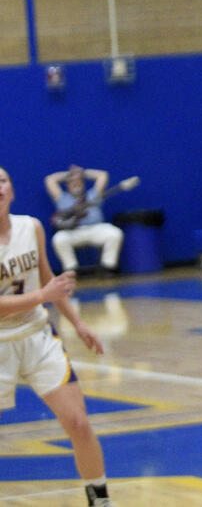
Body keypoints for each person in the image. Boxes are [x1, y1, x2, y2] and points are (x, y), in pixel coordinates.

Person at [1, 166, 114, 507]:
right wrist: (41, 296)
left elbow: (49, 279)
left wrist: (79, 324)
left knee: (78, 423)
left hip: (37, 336)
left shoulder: (30, 227)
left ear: (12, 189)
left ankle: (100, 499)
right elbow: (43, 292)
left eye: (3, 180)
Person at [44, 166, 124, 276]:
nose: (75, 183)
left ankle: (108, 268)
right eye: (72, 182)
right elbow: (50, 180)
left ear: (83, 183)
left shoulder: (93, 194)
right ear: (67, 185)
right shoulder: (62, 198)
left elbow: (102, 175)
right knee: (59, 239)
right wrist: (70, 174)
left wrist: (82, 173)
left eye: (78, 181)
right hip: (73, 231)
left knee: (114, 233)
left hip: (96, 229)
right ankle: (71, 269)